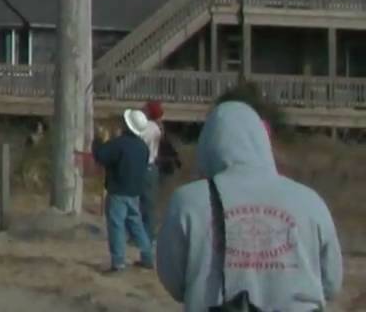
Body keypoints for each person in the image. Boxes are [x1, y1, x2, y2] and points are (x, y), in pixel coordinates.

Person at [157, 100, 342, 311]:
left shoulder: (186, 202)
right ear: (263, 141)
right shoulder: (311, 202)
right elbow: (331, 284)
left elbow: (174, 282)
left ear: (207, 143)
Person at [92, 110, 157, 272]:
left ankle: (118, 262)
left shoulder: (119, 143)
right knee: (137, 224)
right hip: (134, 191)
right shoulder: (143, 147)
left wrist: (98, 140)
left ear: (126, 125)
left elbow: (101, 156)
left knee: (116, 225)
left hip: (118, 191)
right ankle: (147, 257)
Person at [137, 100, 180, 237]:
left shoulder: (145, 127)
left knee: (142, 203)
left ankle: (144, 234)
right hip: (152, 167)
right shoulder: (158, 128)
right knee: (150, 202)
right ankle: (148, 233)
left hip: (143, 166)